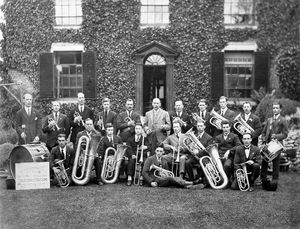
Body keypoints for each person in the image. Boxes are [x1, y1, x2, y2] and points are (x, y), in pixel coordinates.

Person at [260, 102, 289, 191]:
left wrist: (276, 136)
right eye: (274, 108)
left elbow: (285, 134)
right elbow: (264, 132)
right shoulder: (269, 120)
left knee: (276, 165)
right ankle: (263, 181)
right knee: (264, 163)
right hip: (268, 145)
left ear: (280, 109)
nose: (275, 109)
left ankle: (274, 183)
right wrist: (264, 141)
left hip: (276, 146)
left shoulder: (283, 120)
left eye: (276, 108)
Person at [75, 118, 102, 186]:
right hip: (84, 155)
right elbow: (76, 146)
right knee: (81, 162)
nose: (89, 126)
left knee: (98, 161)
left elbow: (100, 145)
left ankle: (98, 179)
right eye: (87, 124)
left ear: (93, 125)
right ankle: (83, 177)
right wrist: (81, 153)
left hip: (93, 155)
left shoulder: (98, 134)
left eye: (91, 124)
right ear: (85, 125)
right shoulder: (80, 134)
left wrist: (97, 153)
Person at [215, 120, 242, 185]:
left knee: (227, 165)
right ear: (221, 128)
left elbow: (239, 145)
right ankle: (219, 180)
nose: (225, 129)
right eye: (224, 127)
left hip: (230, 156)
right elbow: (215, 147)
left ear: (230, 127)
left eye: (227, 127)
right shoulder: (218, 137)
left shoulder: (234, 136)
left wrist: (229, 150)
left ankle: (226, 180)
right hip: (220, 156)